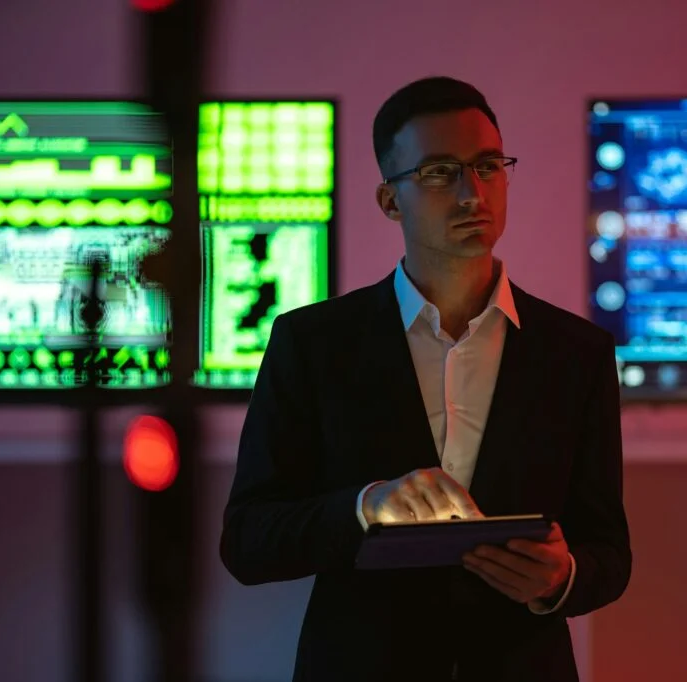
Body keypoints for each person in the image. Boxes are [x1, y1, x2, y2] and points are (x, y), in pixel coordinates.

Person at [220, 76, 631, 682]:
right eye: (440, 172)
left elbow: (609, 551)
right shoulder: (312, 343)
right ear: (390, 201)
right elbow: (249, 541)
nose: (473, 193)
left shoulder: (577, 352)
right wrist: (364, 508)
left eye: (488, 165)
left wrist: (560, 578)